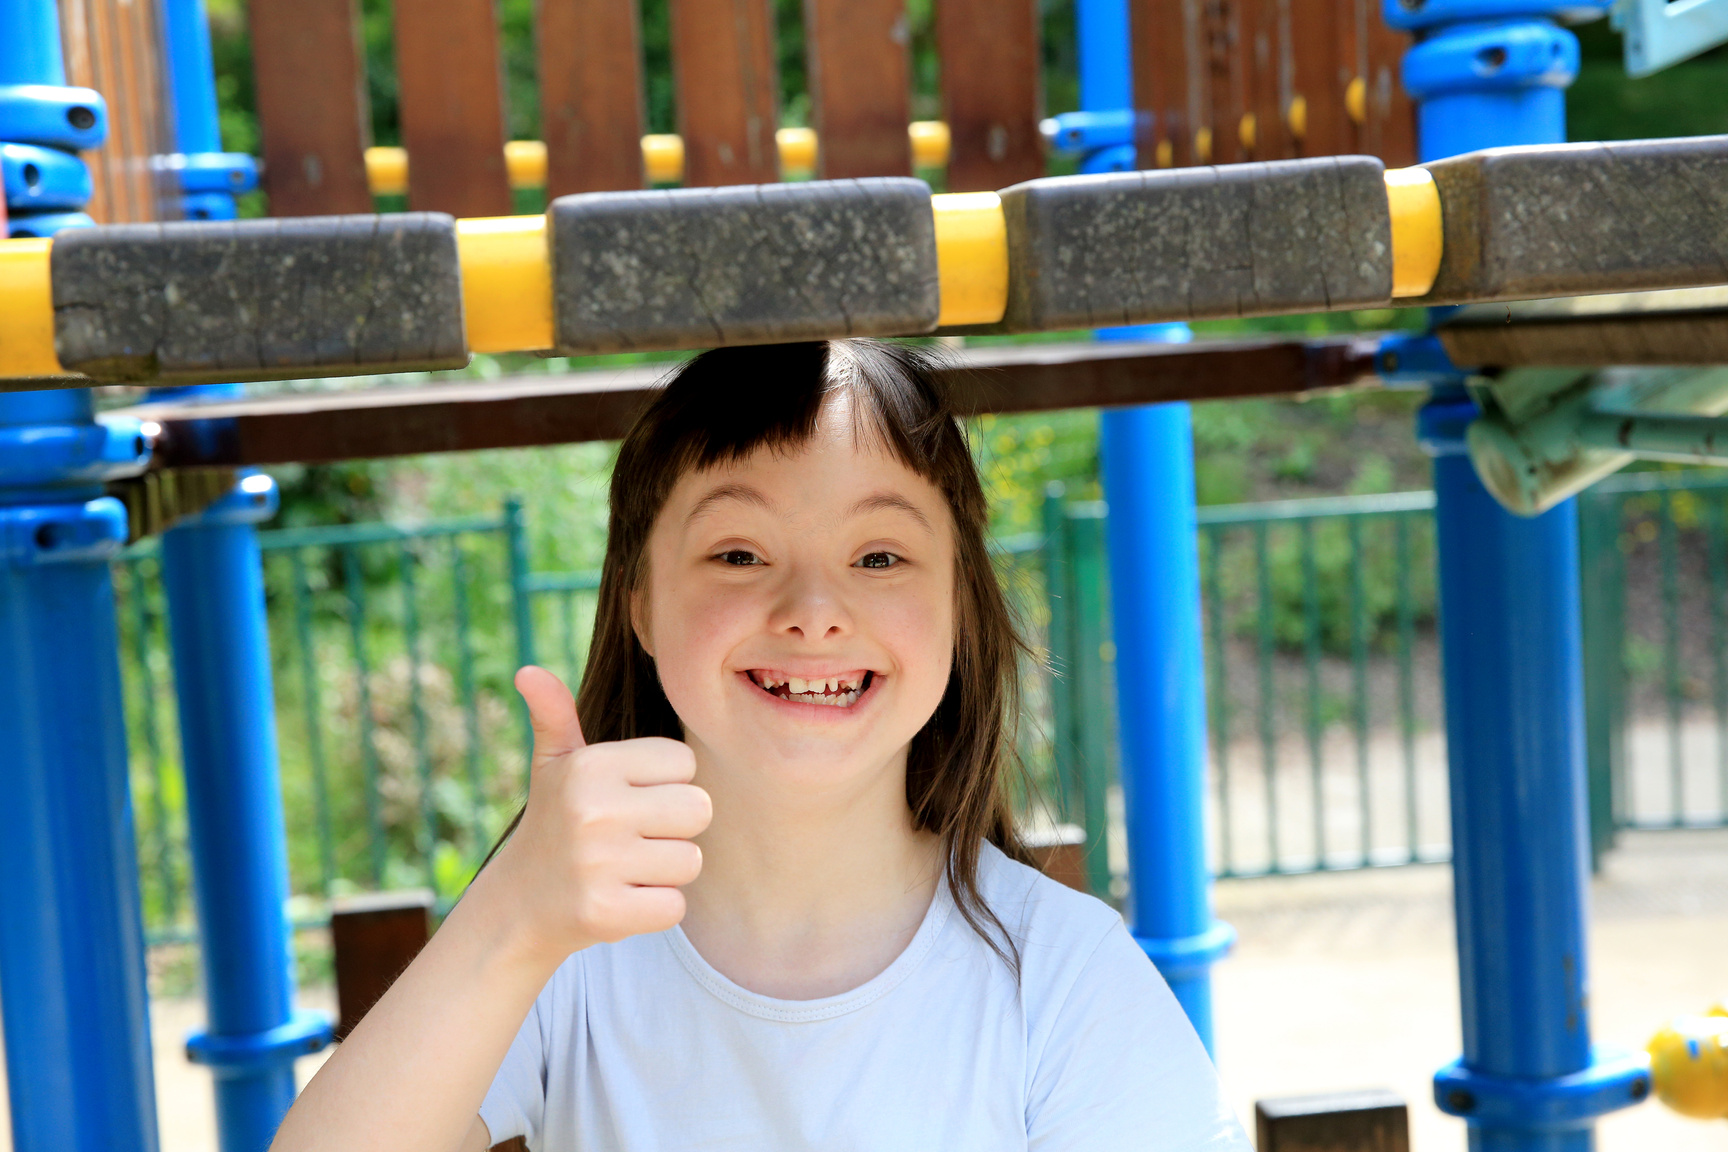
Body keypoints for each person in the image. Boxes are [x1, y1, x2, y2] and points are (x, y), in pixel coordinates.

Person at [270, 339, 1250, 1152]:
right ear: (640, 605)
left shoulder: (1063, 976)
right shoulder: (565, 960)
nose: (814, 612)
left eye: (879, 556)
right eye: (739, 554)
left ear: (958, 604)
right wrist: (510, 917)